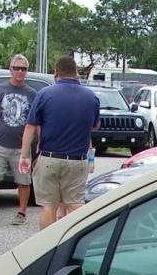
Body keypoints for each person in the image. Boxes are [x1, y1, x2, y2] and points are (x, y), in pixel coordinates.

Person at [18, 55, 100, 230]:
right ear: (76, 73)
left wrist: (24, 155)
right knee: (75, 204)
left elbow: (30, 127)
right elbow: (95, 126)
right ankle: (76, 244)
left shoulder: (44, 94)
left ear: (56, 72)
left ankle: (47, 249)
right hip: (78, 160)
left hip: (50, 158)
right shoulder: (91, 97)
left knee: (49, 205)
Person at [0, 55, 37, 227]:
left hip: (21, 147)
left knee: (23, 181)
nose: (20, 72)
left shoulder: (32, 94)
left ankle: (21, 212)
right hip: (0, 143)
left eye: (23, 69)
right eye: (17, 68)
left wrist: (39, 141)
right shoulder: (0, 89)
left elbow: (36, 121)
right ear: (10, 69)